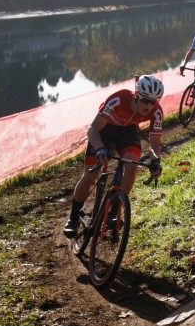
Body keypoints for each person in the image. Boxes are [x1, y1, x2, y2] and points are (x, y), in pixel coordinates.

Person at [63, 75, 164, 238]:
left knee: (131, 167)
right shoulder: (118, 98)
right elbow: (93, 130)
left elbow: (155, 145)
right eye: (146, 100)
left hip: (126, 132)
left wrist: (155, 160)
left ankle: (114, 211)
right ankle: (73, 217)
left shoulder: (156, 112)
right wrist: (101, 148)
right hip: (104, 130)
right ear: (137, 95)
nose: (149, 106)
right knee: (90, 174)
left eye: (154, 101)